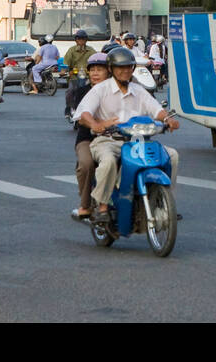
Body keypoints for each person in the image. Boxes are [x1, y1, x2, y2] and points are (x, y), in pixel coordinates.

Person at [74, 47, 180, 220]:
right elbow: (83, 114)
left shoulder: (138, 90)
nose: (125, 71)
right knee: (108, 161)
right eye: (120, 67)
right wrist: (96, 124)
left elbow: (156, 109)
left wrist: (168, 119)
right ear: (111, 69)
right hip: (108, 141)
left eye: (128, 67)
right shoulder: (100, 90)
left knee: (172, 155)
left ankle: (165, 202)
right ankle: (102, 205)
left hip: (138, 142)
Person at [69, 52, 111, 220]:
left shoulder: (117, 89)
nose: (95, 73)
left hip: (116, 139)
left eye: (99, 69)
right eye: (92, 70)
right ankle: (85, 205)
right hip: (88, 138)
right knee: (86, 164)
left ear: (109, 71)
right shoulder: (82, 91)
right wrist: (97, 124)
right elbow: (82, 118)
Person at [62, 29, 93, 116]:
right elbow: (66, 63)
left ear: (86, 40)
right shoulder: (71, 50)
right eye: (79, 39)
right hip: (74, 77)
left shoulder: (91, 51)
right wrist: (64, 71)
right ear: (76, 40)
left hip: (88, 77)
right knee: (70, 91)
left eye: (83, 39)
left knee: (95, 91)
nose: (81, 41)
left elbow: (95, 61)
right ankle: (68, 108)